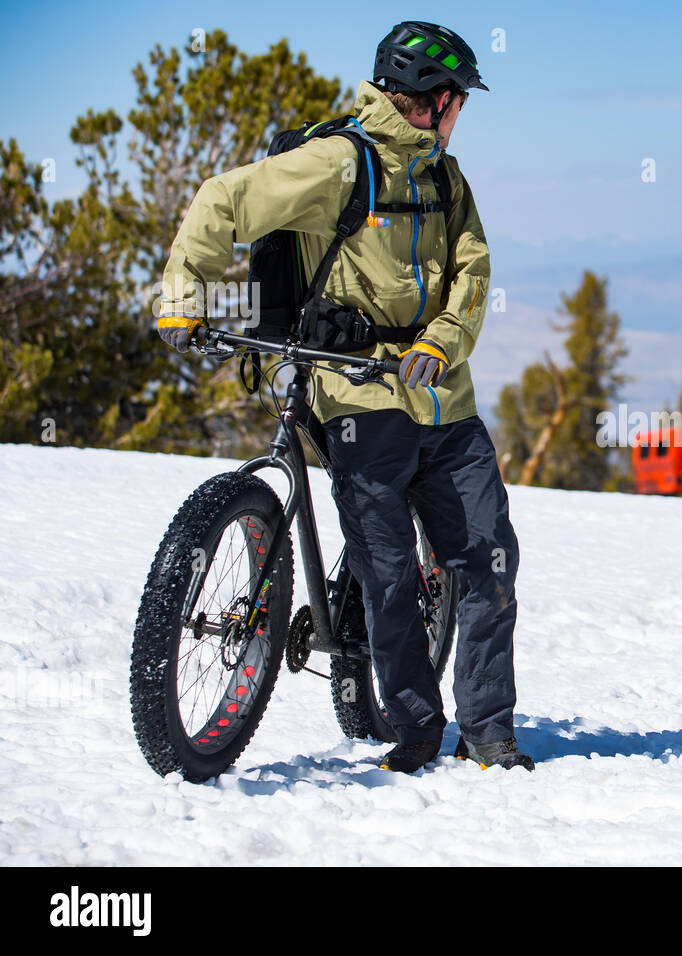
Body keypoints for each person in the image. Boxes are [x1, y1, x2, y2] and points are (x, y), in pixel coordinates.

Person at [155, 21, 533, 773]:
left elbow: (474, 272)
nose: (463, 115)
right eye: (461, 100)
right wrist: (183, 298)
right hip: (356, 390)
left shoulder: (446, 181)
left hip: (442, 398)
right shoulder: (338, 163)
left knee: (489, 562)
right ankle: (417, 731)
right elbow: (222, 201)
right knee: (389, 578)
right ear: (436, 100)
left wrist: (442, 342)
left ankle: (489, 734)